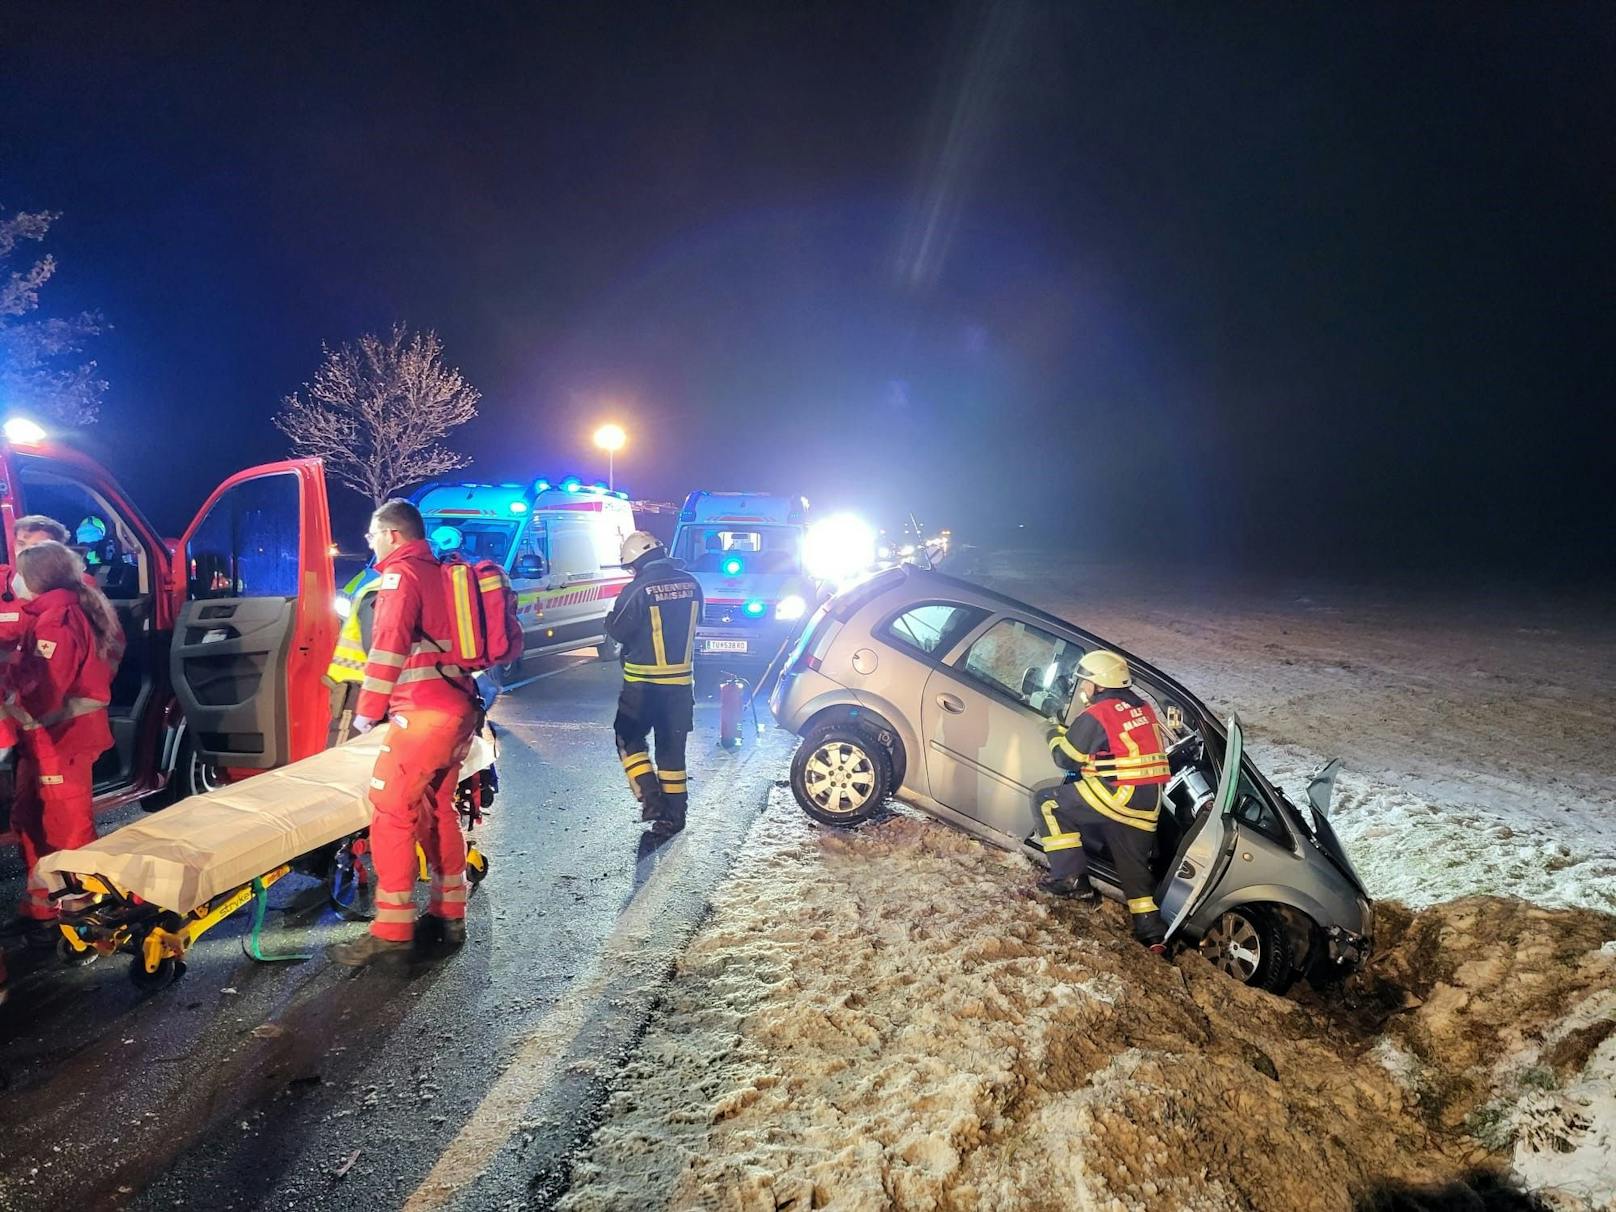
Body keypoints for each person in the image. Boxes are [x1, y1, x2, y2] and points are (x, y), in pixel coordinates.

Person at [328, 499, 480, 966]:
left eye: (372, 534)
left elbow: (389, 647)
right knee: (437, 809)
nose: (368, 543)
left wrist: (365, 713)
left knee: (390, 809)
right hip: (460, 709)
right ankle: (449, 915)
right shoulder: (445, 574)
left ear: (393, 534)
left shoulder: (399, 577)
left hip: (423, 715)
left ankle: (392, 931)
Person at [2, 541, 121, 929]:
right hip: (46, 740)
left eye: (20, 570)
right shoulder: (51, 611)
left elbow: (47, 689)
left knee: (66, 827)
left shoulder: (58, 619)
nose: (14, 579)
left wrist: (9, 703)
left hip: (62, 739)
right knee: (31, 818)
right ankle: (43, 906)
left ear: (37, 576)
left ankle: (80, 911)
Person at [1033, 649, 1173, 951]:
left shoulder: (1099, 713)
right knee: (1133, 865)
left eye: (1084, 682)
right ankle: (1152, 933)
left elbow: (1065, 757)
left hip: (1117, 795)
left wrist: (1051, 730)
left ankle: (1070, 880)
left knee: (1047, 802)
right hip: (1148, 802)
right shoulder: (1143, 708)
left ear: (1098, 684)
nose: (1082, 688)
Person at [606, 531, 702, 836]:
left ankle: (650, 797)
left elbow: (619, 630)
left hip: (643, 686)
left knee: (628, 737)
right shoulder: (693, 584)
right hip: (680, 686)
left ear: (638, 561)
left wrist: (608, 621)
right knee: (672, 752)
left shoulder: (638, 589)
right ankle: (674, 817)